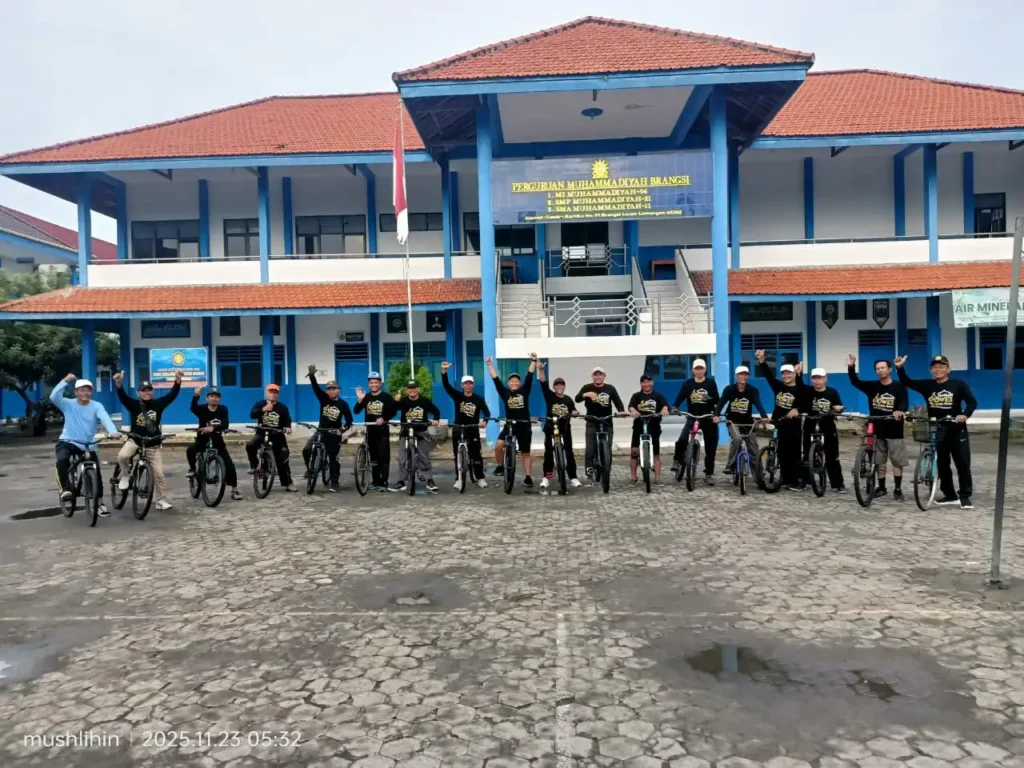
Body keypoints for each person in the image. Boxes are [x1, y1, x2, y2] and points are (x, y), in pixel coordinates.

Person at [895, 354, 977, 509]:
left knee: (962, 462)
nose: (938, 370)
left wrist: (964, 415)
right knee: (942, 462)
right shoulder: (927, 385)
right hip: (937, 427)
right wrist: (900, 368)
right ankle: (950, 495)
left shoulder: (958, 385)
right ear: (931, 370)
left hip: (956, 428)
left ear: (948, 369)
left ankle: (965, 496)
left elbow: (972, 402)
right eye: (935, 367)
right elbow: (907, 382)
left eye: (941, 367)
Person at [51, 374, 119, 517]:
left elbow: (105, 418)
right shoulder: (67, 404)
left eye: (88, 390)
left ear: (91, 392)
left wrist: (113, 431)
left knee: (96, 471)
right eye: (82, 390)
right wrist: (65, 380)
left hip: (87, 445)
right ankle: (66, 489)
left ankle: (99, 503)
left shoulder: (96, 406)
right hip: (68, 441)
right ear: (76, 392)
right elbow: (54, 396)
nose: (85, 393)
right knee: (61, 461)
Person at [114, 369, 181, 511]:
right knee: (122, 456)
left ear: (153, 392)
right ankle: (125, 476)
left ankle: (160, 500)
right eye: (143, 391)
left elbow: (172, 395)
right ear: (138, 393)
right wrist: (119, 383)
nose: (147, 393)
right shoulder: (133, 404)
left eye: (149, 390)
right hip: (135, 440)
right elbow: (122, 397)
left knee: (159, 474)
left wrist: (177, 380)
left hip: (152, 444)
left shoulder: (159, 404)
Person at [848, 354, 909, 501]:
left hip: (894, 429)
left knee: (897, 461)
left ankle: (898, 489)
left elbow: (904, 402)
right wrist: (851, 367)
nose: (880, 370)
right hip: (877, 428)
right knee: (879, 461)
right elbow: (855, 382)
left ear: (890, 369)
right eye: (877, 369)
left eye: (883, 368)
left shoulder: (898, 386)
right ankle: (881, 488)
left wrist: (900, 410)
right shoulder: (873, 386)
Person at [755, 350, 808, 490]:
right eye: (784, 373)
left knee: (793, 452)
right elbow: (768, 375)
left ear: (794, 374)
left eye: (789, 373)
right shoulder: (779, 386)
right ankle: (785, 479)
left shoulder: (800, 388)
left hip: (793, 425)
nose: (786, 375)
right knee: (781, 451)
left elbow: (805, 403)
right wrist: (762, 360)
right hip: (779, 422)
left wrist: (797, 410)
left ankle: (797, 481)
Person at [487, 354, 537, 487]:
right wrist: (489, 365)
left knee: (526, 452)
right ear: (508, 383)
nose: (514, 383)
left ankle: (528, 477)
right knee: (499, 445)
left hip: (524, 426)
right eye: (512, 381)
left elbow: (530, 375)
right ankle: (500, 466)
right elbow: (496, 380)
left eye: (516, 381)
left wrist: (533, 361)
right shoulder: (505, 393)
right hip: (510, 426)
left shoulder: (525, 391)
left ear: (519, 383)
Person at [303, 365, 353, 492]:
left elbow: (349, 421)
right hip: (321, 431)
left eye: (334, 388)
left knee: (333, 458)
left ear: (338, 390)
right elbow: (316, 388)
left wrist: (341, 430)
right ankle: (311, 469)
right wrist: (312, 376)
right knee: (307, 449)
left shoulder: (343, 404)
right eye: (329, 389)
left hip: (334, 434)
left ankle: (334, 482)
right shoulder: (323, 399)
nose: (331, 391)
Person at [186, 386, 242, 501]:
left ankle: (234, 489)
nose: (214, 399)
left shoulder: (223, 409)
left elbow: (225, 423)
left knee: (229, 463)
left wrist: (214, 428)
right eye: (211, 396)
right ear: (207, 398)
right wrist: (196, 396)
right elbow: (193, 408)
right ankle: (192, 469)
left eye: (216, 397)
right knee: (190, 449)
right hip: (203, 439)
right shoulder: (202, 409)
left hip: (217, 440)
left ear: (219, 399)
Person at [440, 362, 490, 490]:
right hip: (458, 428)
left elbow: (487, 412)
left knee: (476, 455)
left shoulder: (478, 399)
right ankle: (459, 479)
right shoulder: (458, 396)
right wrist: (444, 371)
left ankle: (480, 478)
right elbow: (446, 386)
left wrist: (485, 421)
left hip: (472, 428)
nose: (468, 385)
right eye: (465, 383)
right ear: (462, 385)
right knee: (457, 455)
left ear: (473, 385)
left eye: (470, 383)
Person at [671, 359, 721, 486]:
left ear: (705, 370)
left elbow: (717, 400)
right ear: (693, 370)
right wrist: (675, 406)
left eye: (701, 368)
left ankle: (709, 474)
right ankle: (677, 460)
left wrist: (714, 411)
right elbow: (680, 397)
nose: (699, 371)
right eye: (696, 369)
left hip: (707, 417)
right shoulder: (688, 384)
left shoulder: (710, 383)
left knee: (711, 446)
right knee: (682, 439)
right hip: (692, 416)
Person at [575, 366, 625, 480]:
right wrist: (585, 394)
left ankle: (606, 472)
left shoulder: (610, 388)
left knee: (608, 449)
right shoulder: (587, 387)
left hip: (607, 421)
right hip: (592, 421)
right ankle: (589, 471)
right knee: (590, 449)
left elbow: (617, 401)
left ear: (604, 376)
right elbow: (577, 399)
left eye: (600, 374)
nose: (598, 377)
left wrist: (621, 411)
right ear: (592, 376)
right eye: (595, 375)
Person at [536, 362, 581, 490]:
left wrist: (575, 412)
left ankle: (573, 477)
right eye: (557, 385)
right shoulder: (549, 396)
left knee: (569, 453)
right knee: (548, 453)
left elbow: (574, 410)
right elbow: (543, 382)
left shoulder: (568, 399)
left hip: (565, 428)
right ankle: (547, 477)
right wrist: (541, 369)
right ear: (554, 387)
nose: (559, 387)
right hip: (550, 428)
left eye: (562, 385)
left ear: (564, 387)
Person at [717, 366, 769, 475]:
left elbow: (758, 404)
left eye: (746, 374)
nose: (743, 376)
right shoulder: (729, 389)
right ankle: (730, 465)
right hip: (733, 422)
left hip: (747, 423)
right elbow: (721, 403)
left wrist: (764, 416)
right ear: (736, 376)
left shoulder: (753, 390)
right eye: (741, 374)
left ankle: (758, 474)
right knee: (737, 439)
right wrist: (715, 415)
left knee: (753, 446)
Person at [392, 380, 441, 493]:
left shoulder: (424, 401)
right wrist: (395, 401)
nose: (412, 390)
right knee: (402, 458)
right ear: (407, 390)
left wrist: (436, 420)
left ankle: (429, 480)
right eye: (410, 388)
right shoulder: (403, 401)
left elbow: (436, 411)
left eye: (414, 388)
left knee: (424, 457)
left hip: (420, 432)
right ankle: (402, 481)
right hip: (405, 432)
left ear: (418, 389)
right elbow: (392, 411)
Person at [246, 383, 296, 491]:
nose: (273, 394)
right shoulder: (260, 404)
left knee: (283, 456)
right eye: (271, 392)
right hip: (262, 433)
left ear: (278, 394)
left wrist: (288, 427)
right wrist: (263, 409)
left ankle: (288, 483)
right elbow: (252, 415)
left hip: (277, 434)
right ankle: (254, 466)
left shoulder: (282, 407)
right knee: (250, 445)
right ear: (266, 393)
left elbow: (287, 420)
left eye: (275, 392)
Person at [354, 372, 397, 492]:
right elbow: (356, 411)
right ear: (368, 384)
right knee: (373, 458)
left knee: (383, 457)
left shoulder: (386, 397)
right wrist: (359, 400)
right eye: (371, 383)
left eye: (376, 382)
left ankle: (383, 482)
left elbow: (393, 411)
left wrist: (384, 418)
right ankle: (375, 481)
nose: (374, 385)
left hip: (382, 432)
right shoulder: (366, 397)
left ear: (380, 383)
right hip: (370, 431)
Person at [805, 368, 846, 492]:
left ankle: (838, 484)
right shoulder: (807, 391)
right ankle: (805, 480)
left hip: (827, 424)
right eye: (814, 378)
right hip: (810, 423)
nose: (817, 381)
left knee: (832, 455)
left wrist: (839, 409)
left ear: (825, 378)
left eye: (820, 378)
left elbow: (839, 407)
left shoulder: (832, 392)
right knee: (807, 453)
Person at [627, 374, 670, 485]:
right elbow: (631, 406)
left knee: (656, 453)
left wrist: (664, 409)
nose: (646, 384)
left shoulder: (658, 396)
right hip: (638, 426)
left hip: (654, 426)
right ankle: (633, 477)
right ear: (641, 384)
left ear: (652, 383)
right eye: (644, 382)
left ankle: (657, 478)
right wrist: (633, 411)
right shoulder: (636, 396)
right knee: (634, 452)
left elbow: (665, 405)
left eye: (648, 382)